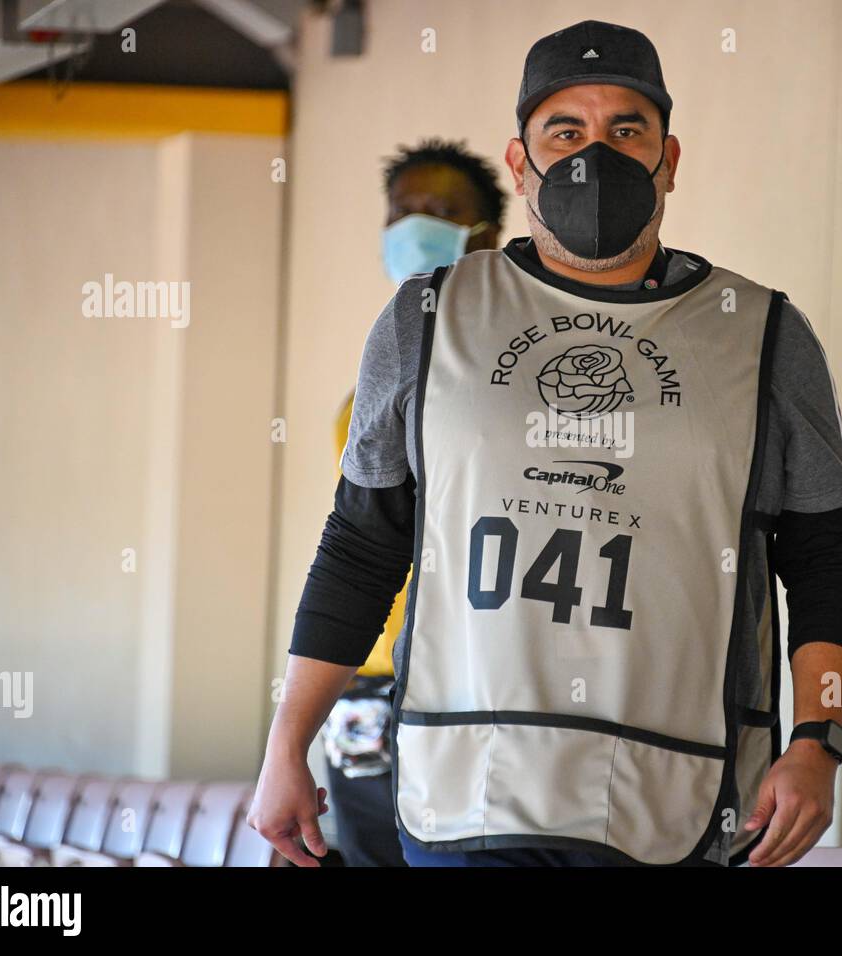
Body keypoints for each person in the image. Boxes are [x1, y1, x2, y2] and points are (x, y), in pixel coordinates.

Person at [250, 19, 842, 868]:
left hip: (680, 797)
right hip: (466, 794)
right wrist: (287, 744)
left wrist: (818, 741)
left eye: (626, 130)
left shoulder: (759, 333)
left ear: (669, 158)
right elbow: (362, 547)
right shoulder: (428, 319)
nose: (596, 154)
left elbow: (828, 557)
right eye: (566, 131)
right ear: (520, 162)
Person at [319, 139, 504, 867]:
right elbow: (359, 545)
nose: (414, 226)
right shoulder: (369, 382)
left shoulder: (507, 374)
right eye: (402, 212)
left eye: (440, 212)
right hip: (366, 676)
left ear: (486, 233)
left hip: (465, 675)